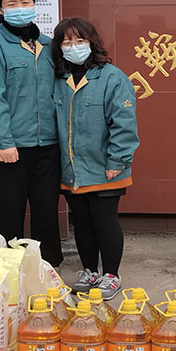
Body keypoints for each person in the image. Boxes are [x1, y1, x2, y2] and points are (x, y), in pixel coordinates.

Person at [51, 18, 139, 299]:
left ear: (92, 43)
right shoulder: (59, 79)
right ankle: (89, 271)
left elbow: (124, 123)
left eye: (80, 41)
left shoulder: (112, 77)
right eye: (67, 42)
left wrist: (117, 160)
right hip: (72, 170)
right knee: (82, 223)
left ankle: (111, 275)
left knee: (104, 221)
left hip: (104, 167)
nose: (73, 47)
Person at [0, 0, 62, 266]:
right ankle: (8, 268)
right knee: (8, 213)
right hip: (8, 147)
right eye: (11, 3)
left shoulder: (49, 45)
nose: (19, 7)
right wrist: (3, 141)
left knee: (46, 210)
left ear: (34, 4)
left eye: (25, 2)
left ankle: (46, 267)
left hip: (47, 144)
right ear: (0, 9)